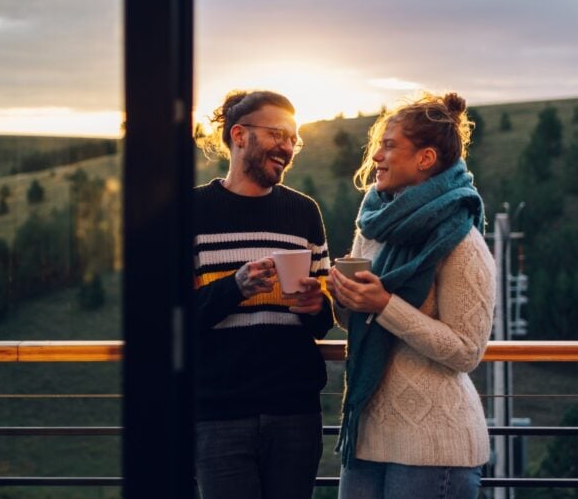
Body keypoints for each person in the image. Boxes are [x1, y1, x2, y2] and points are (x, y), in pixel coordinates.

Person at [326, 92, 495, 499]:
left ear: (425, 158)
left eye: (388, 145)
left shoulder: (462, 243)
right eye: (377, 145)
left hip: (435, 444)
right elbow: (357, 321)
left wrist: (384, 304)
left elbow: (466, 351)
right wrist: (343, 298)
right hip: (366, 437)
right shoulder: (373, 228)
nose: (376, 157)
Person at [193, 89, 335, 499]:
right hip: (218, 414)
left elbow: (322, 322)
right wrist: (234, 287)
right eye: (277, 134)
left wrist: (315, 306)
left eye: (294, 138)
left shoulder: (304, 212)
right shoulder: (192, 211)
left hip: (295, 410)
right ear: (239, 135)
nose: (288, 147)